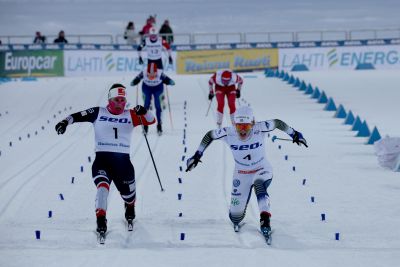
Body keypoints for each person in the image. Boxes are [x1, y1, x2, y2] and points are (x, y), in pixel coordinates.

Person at [185, 106, 307, 242]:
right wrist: (197, 155)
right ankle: (237, 216)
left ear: (253, 124)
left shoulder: (260, 128)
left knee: (259, 184)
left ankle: (265, 220)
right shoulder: (228, 133)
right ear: (234, 125)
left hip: (262, 169)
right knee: (235, 217)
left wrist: (295, 134)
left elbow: (277, 123)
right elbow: (210, 135)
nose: (242, 131)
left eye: (246, 127)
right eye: (239, 127)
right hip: (241, 174)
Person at [55, 83, 156, 240]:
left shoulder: (131, 114)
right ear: (110, 99)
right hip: (102, 161)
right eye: (117, 100)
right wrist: (64, 122)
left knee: (129, 196)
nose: (120, 104)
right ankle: (101, 220)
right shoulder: (98, 112)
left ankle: (130, 207)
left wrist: (144, 111)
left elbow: (151, 121)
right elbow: (76, 116)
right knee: (102, 188)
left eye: (123, 100)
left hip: (123, 164)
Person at [131, 62, 175, 135]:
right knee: (146, 105)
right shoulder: (144, 72)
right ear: (147, 72)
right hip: (147, 87)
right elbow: (137, 78)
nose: (151, 76)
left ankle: (159, 125)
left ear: (156, 72)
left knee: (157, 105)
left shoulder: (160, 73)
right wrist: (135, 81)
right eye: (149, 74)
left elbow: (168, 79)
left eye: (153, 74)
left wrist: (169, 81)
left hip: (157, 88)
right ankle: (145, 126)